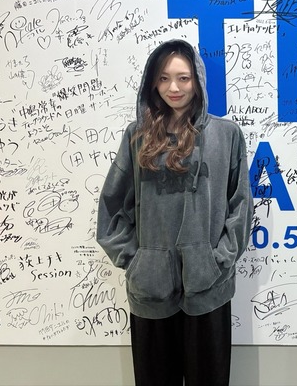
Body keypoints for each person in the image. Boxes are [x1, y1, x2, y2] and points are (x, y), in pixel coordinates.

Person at [96, 39, 253, 386]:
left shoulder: (226, 135)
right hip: (150, 291)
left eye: (183, 78)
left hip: (209, 289)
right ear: (153, 82)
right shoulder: (137, 136)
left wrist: (218, 262)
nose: (174, 88)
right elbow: (112, 206)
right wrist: (136, 262)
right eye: (164, 78)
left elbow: (240, 205)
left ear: (197, 80)